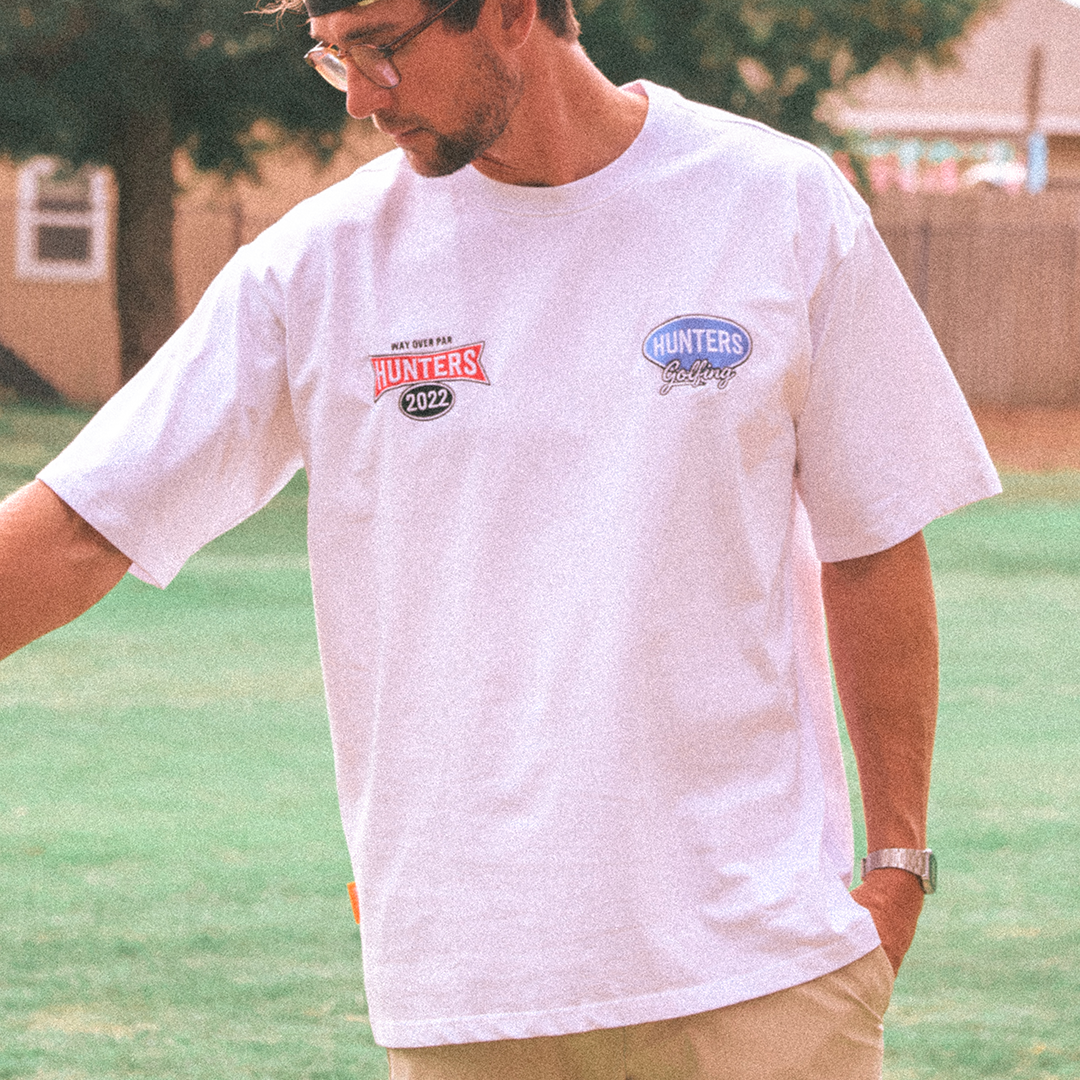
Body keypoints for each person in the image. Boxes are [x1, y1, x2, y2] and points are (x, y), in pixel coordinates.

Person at [0, 0, 1000, 1076]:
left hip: (761, 972)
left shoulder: (779, 203)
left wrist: (897, 864)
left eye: (382, 45)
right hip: (469, 989)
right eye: (334, 56)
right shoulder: (320, 267)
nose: (362, 96)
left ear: (515, 11)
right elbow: (79, 528)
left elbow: (874, 539)